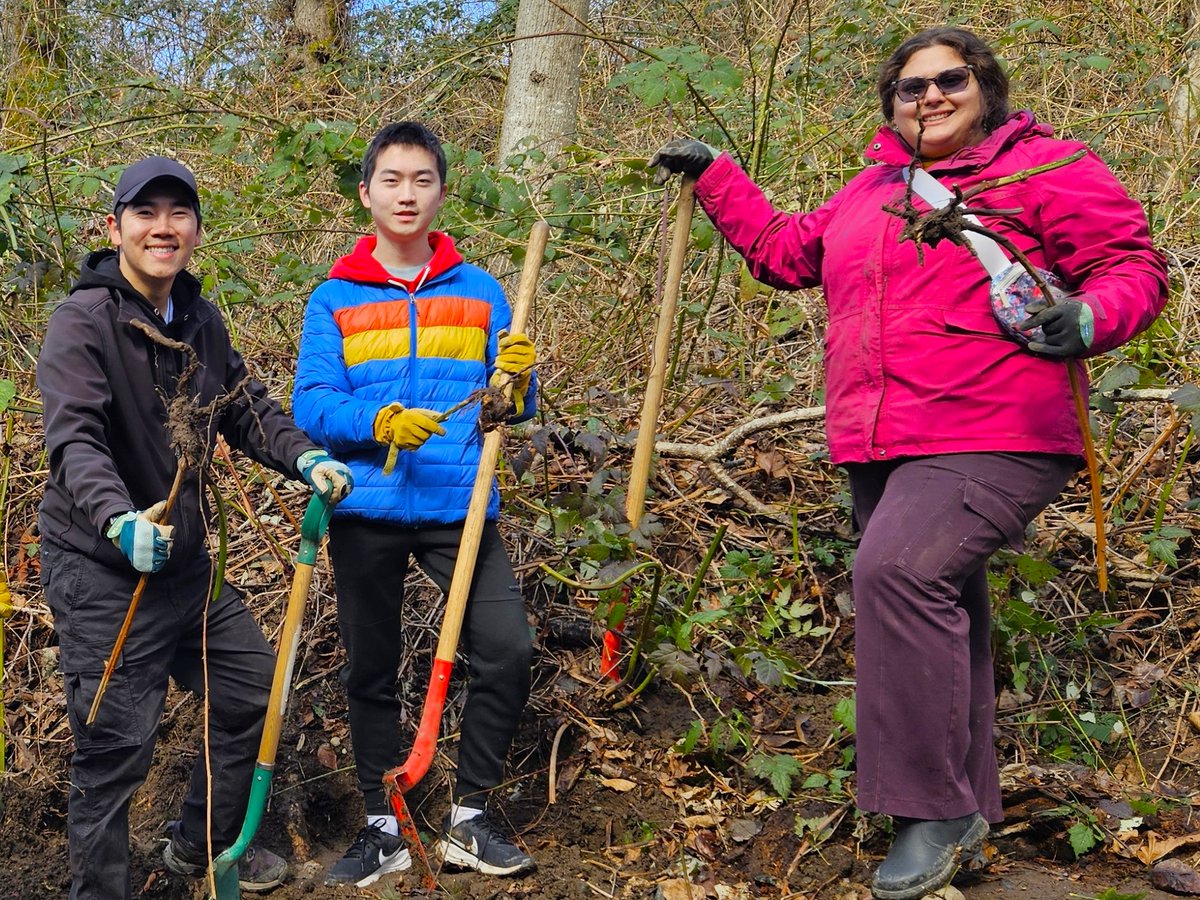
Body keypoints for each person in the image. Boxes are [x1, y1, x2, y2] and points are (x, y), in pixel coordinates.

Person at [651, 26, 1167, 900]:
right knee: (938, 603)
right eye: (910, 86)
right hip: (883, 438)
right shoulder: (871, 193)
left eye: (950, 80)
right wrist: (715, 174)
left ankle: (929, 809)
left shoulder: (1047, 169)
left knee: (895, 572)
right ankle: (966, 809)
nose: (930, 96)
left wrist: (1089, 316)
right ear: (892, 105)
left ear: (985, 88)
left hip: (998, 427)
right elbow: (785, 251)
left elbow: (1130, 267)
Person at [37, 155, 354, 900]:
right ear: (116, 228)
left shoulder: (201, 321)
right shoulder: (82, 323)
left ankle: (197, 846)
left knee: (251, 692)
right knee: (114, 751)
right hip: (103, 575)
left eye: (179, 213)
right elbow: (74, 439)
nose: (163, 227)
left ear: (197, 231)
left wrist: (305, 456)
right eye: (146, 213)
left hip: (184, 571)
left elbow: (243, 406)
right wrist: (118, 520)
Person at [293, 121, 539, 888]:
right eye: (392, 180)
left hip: (457, 507)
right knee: (370, 667)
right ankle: (381, 827)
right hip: (366, 507)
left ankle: (470, 820)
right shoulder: (333, 298)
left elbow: (507, 407)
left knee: (506, 650)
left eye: (422, 180)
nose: (407, 194)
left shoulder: (482, 292)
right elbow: (311, 402)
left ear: (440, 190)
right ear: (366, 193)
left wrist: (520, 383)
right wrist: (376, 422)